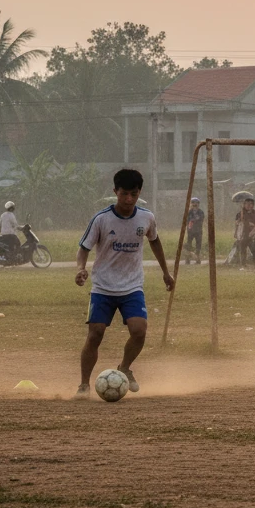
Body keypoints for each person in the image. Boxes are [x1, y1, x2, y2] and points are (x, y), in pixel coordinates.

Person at [74, 168, 174, 398]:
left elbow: (155, 242)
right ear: (115, 192)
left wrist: (165, 272)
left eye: (133, 194)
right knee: (95, 334)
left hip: (132, 286)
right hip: (102, 288)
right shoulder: (101, 219)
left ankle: (125, 368)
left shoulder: (146, 217)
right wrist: (80, 269)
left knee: (139, 331)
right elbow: (84, 249)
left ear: (139, 193)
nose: (129, 199)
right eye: (124, 194)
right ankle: (83, 385)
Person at [237, 196, 255, 269]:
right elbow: (237, 223)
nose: (249, 205)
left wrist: (253, 226)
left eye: (251, 204)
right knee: (243, 250)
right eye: (247, 204)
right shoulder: (240, 213)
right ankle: (243, 265)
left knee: (254, 250)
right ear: (244, 204)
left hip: (253, 235)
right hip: (243, 235)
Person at [184, 198, 204, 265]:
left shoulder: (201, 212)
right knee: (189, 245)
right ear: (191, 204)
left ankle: (197, 259)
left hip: (198, 231)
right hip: (190, 231)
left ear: (198, 204)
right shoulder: (189, 212)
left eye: (196, 203)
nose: (195, 205)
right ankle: (188, 259)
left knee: (198, 245)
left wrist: (194, 220)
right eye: (193, 203)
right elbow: (186, 220)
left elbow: (201, 220)